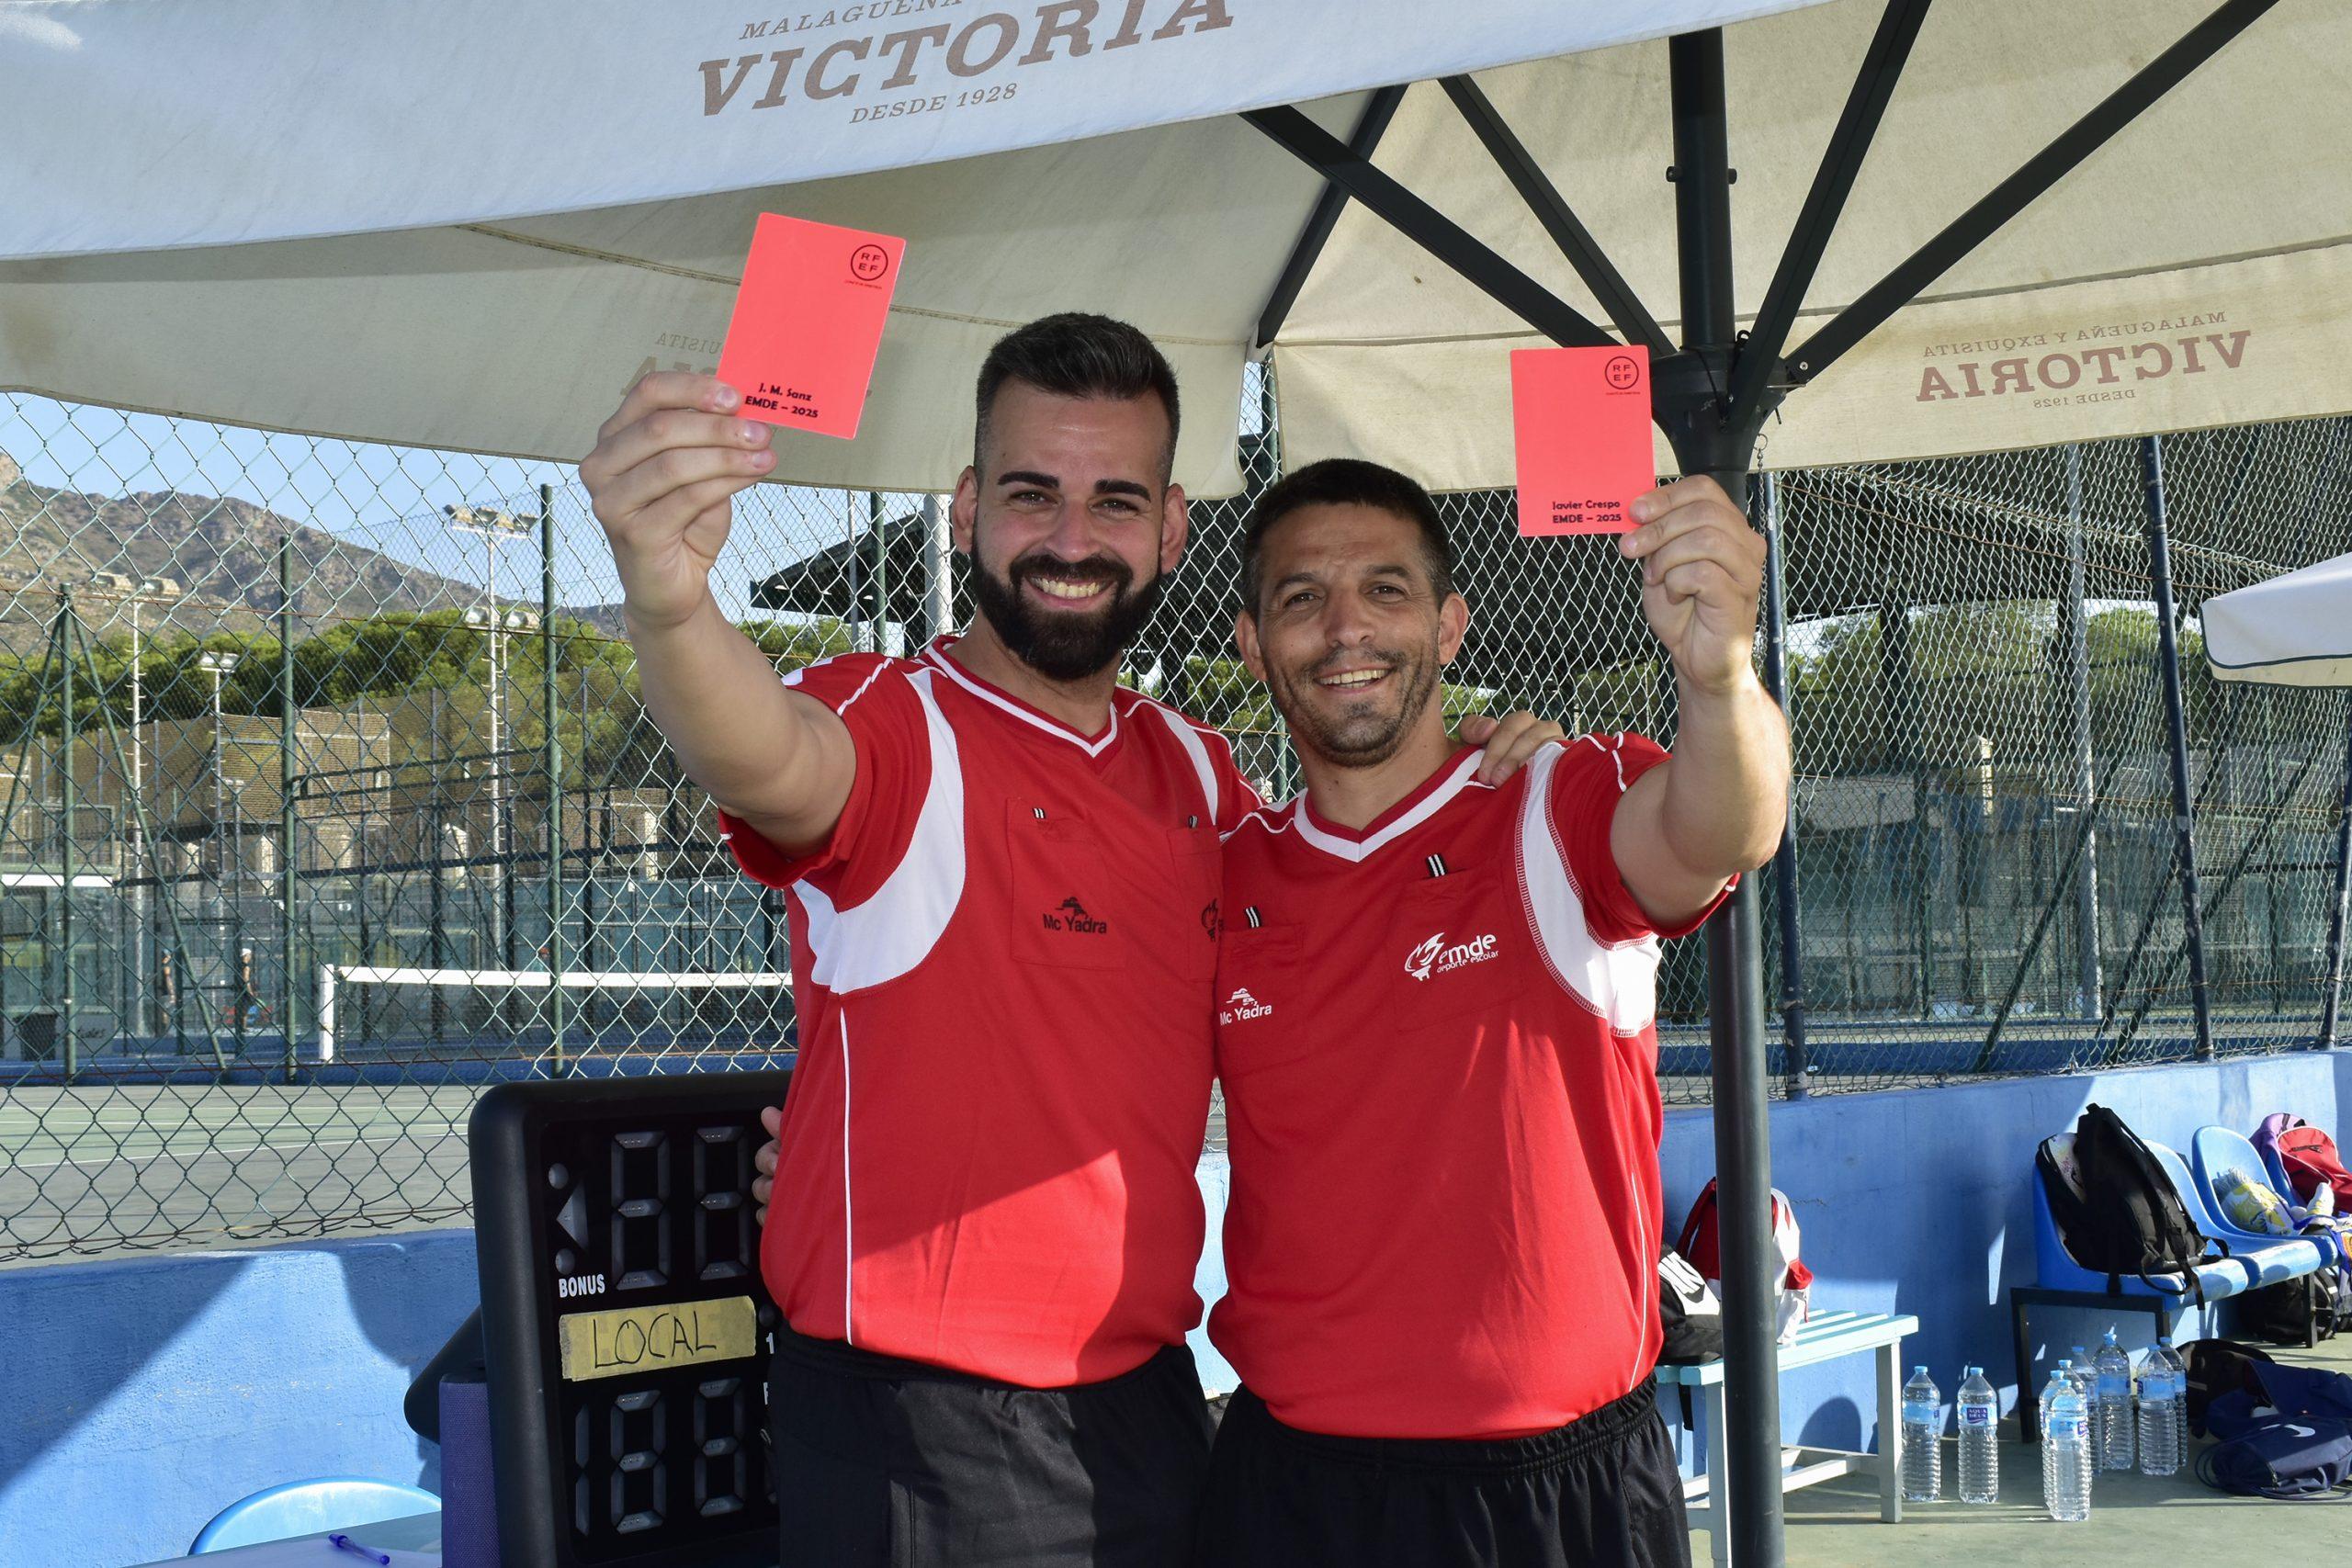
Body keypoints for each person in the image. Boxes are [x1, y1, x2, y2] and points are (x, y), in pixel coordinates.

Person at [582, 316, 1561, 1567]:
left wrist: (1485, 773)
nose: (1070, 539)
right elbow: (763, 750)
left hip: (1153, 1402)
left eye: (1114, 500)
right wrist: (670, 599)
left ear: (1170, 530)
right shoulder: (892, 726)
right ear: (967, 508)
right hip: (925, 1427)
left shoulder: (1203, 775)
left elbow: (1355, 905)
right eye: (1033, 493)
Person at [1196, 458, 1790, 1568]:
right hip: (1292, 1492)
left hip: (1557, 1494)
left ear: (1450, 623)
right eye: (1298, 598)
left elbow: (1721, 832)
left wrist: (1719, 677)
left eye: (1384, 590)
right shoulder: (1223, 875)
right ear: (1248, 641)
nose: (1343, 629)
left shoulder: (1553, 803)